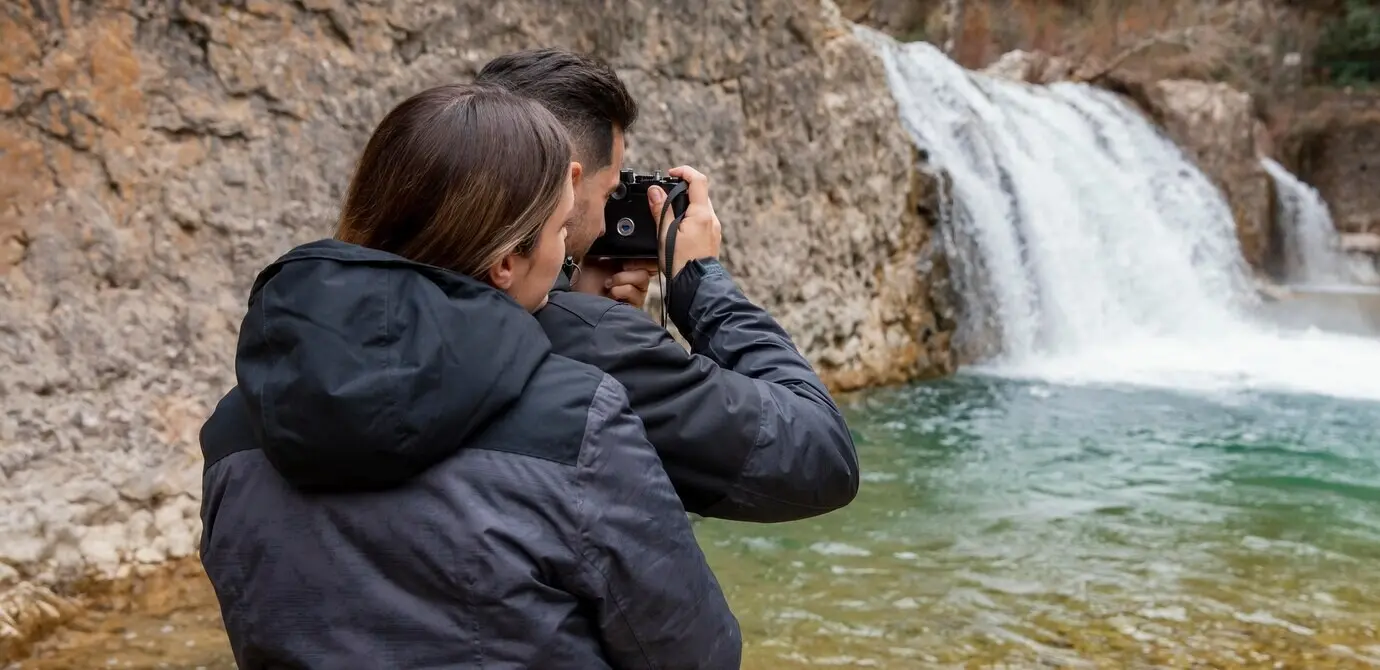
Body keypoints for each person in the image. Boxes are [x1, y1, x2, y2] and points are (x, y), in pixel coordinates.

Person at [197, 83, 740, 668]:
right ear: (506, 262)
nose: (567, 254)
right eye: (562, 232)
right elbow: (696, 652)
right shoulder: (579, 419)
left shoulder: (237, 426)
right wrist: (698, 285)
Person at [474, 49, 860, 521]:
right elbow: (823, 455)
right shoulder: (594, 344)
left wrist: (569, 296)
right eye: (610, 192)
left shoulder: (402, 295)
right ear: (566, 183)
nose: (603, 221)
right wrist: (700, 284)